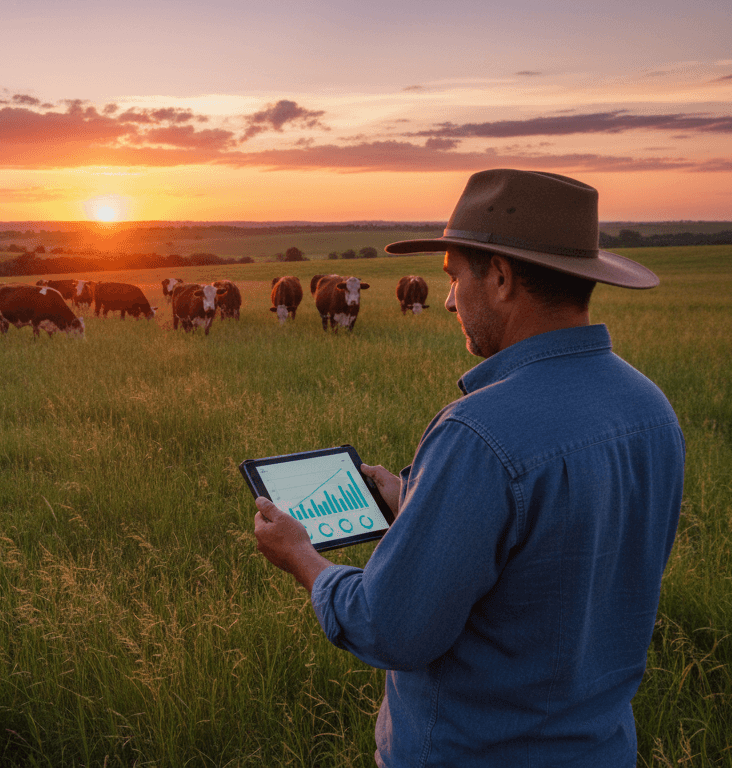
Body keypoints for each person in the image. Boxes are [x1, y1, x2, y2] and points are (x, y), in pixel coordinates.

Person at [253, 169, 684, 767]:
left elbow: (390, 628)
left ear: (501, 278)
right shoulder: (650, 409)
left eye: (455, 277)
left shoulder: (478, 433)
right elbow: (559, 556)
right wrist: (418, 500)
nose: (449, 299)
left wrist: (302, 557)